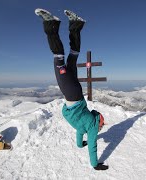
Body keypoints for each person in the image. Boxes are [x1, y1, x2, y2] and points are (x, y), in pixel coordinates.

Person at [35, 8, 108, 171]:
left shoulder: (86, 126)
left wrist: (79, 144)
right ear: (98, 126)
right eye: (101, 126)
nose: (100, 128)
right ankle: (51, 24)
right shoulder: (92, 128)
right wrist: (95, 164)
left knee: (72, 58)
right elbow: (92, 145)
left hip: (76, 94)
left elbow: (79, 133)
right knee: (58, 60)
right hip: (73, 95)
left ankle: (76, 25)